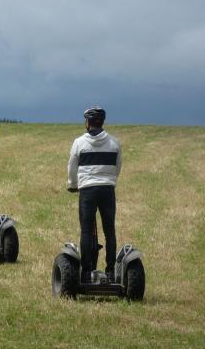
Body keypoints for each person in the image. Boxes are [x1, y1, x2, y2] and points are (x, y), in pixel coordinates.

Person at [67, 106, 122, 282]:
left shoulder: (79, 143)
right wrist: (109, 180)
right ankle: (111, 270)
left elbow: (72, 167)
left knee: (86, 231)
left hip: (87, 190)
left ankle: (86, 272)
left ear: (87, 122)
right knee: (109, 230)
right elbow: (117, 167)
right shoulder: (114, 143)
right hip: (107, 189)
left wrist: (72, 184)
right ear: (102, 121)